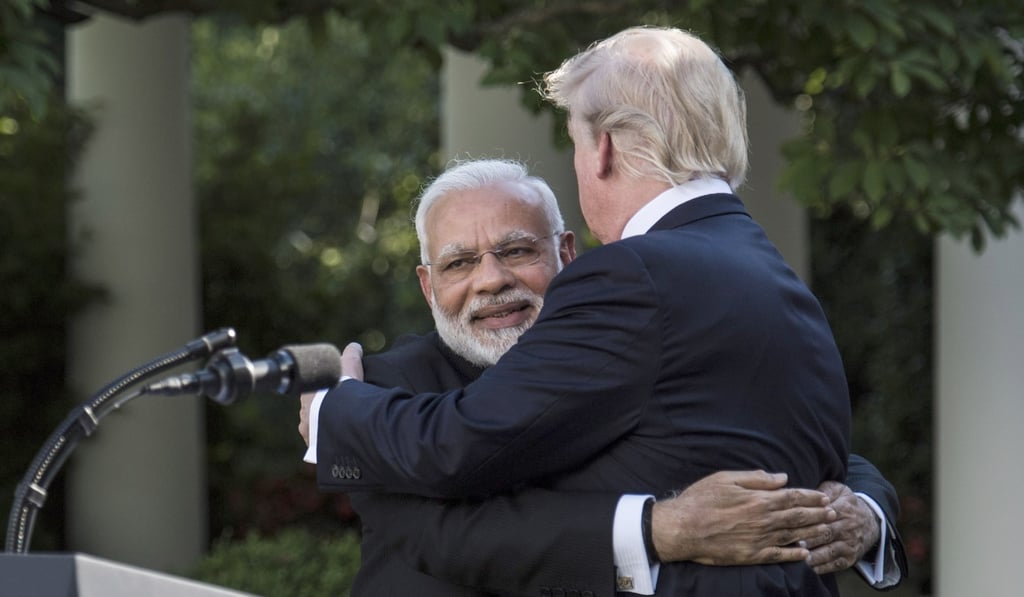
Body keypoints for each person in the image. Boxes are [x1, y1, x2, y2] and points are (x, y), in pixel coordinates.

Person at [310, 27, 891, 595]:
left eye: (516, 250)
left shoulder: (630, 278)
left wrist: (335, 408)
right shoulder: (769, 270)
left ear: (604, 148)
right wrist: (662, 528)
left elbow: (458, 445)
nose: (492, 280)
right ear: (427, 282)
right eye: (460, 263)